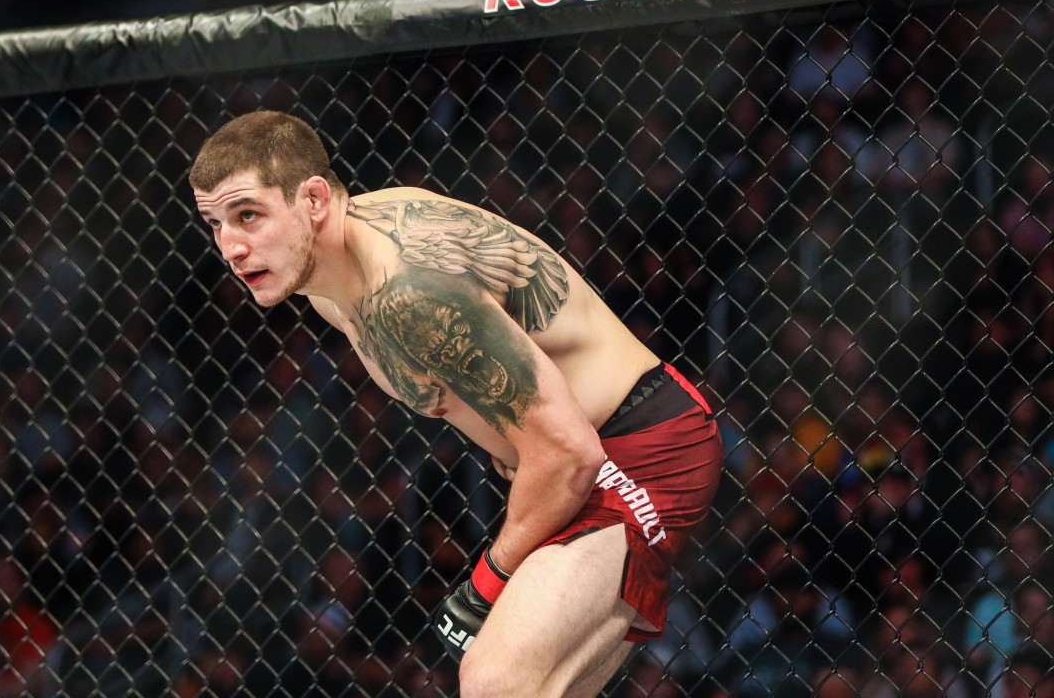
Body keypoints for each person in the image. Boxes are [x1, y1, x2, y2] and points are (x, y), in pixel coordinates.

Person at [189, 109, 722, 697]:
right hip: (570, 461)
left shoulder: (411, 285)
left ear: (314, 198)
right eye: (214, 223)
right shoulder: (332, 287)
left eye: (248, 215)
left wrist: (483, 585)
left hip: (635, 453)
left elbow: (570, 454)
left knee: (497, 681)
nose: (231, 247)